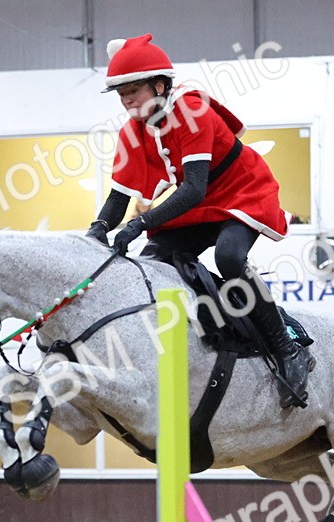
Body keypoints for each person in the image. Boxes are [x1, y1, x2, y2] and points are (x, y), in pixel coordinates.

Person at [86, 33, 314, 408]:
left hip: (242, 190)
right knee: (154, 261)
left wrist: (138, 225)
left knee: (228, 257)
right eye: (120, 92)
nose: (126, 99)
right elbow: (118, 197)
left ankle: (288, 348)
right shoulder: (133, 130)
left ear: (160, 85)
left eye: (133, 89)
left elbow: (192, 189)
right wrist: (95, 231)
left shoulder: (192, 112)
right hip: (200, 202)